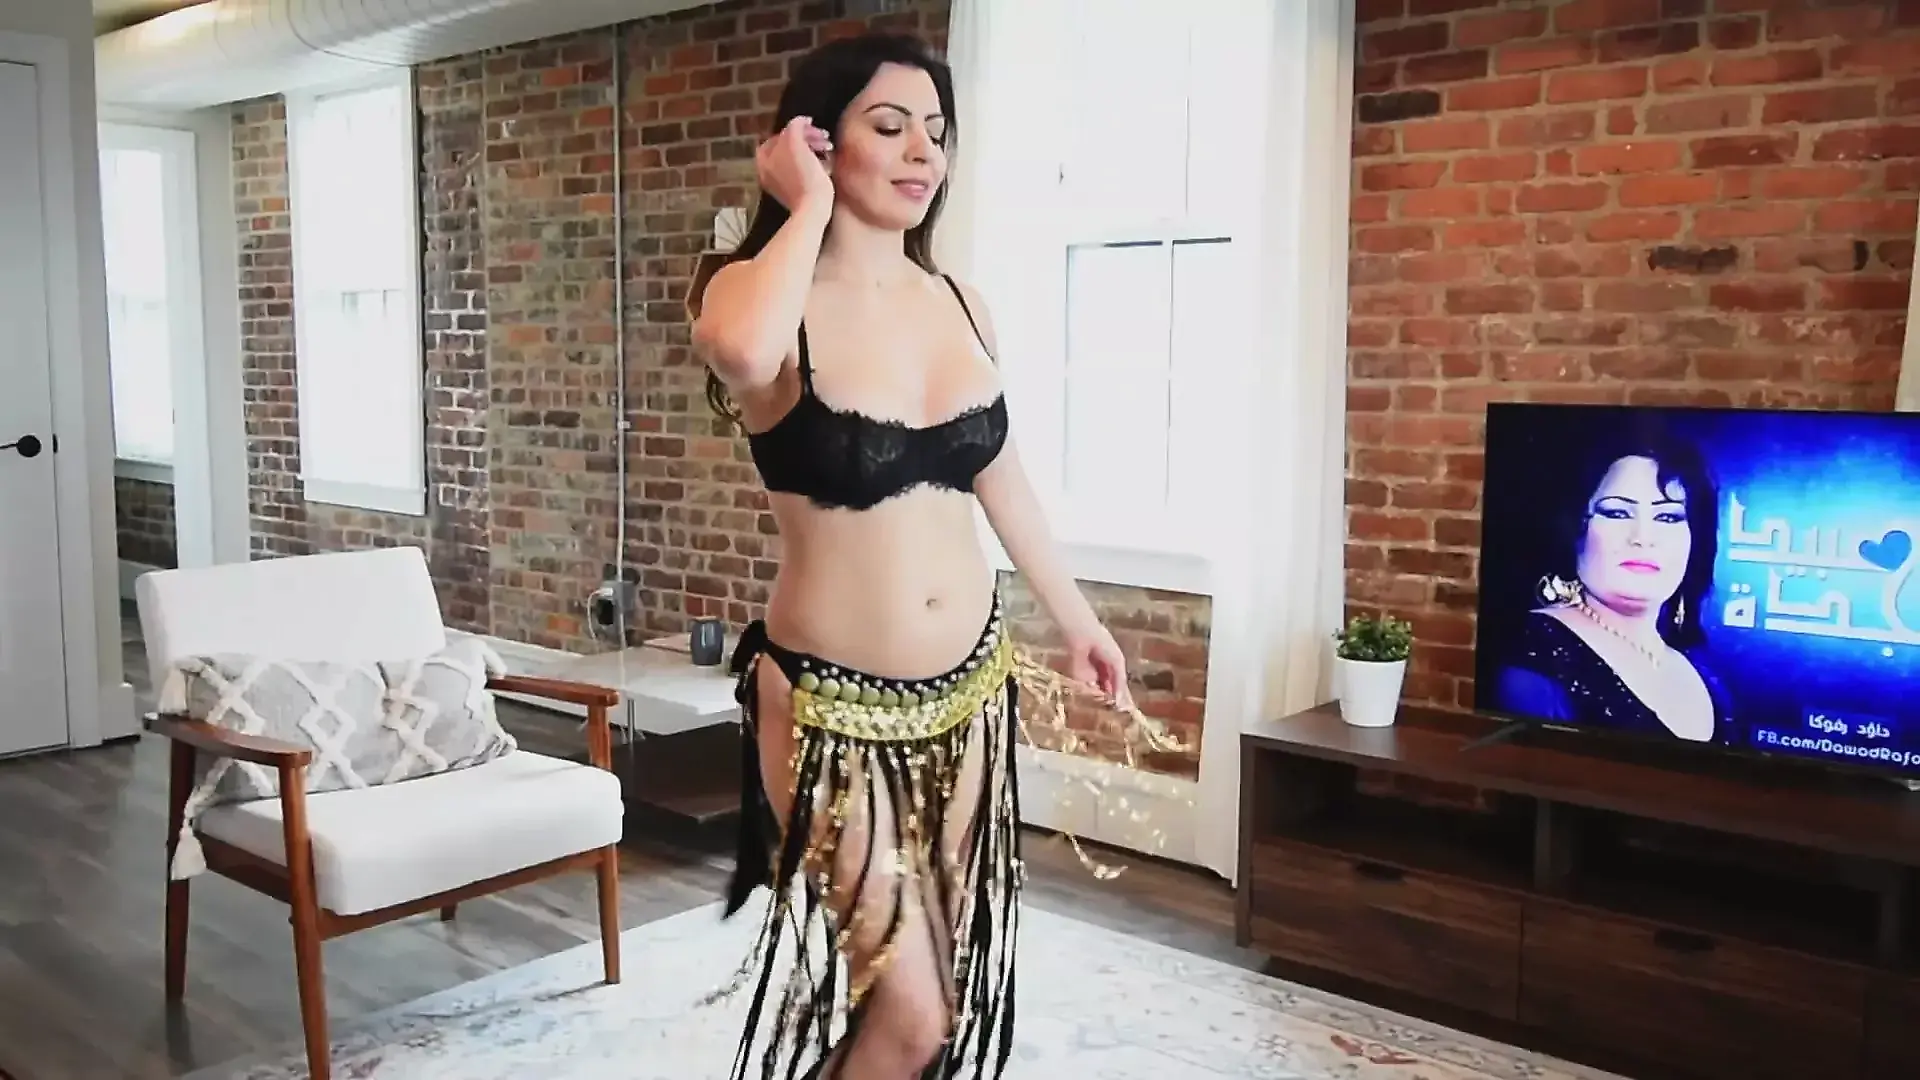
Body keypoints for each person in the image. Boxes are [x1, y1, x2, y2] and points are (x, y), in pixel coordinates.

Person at [689, 32, 1134, 1080]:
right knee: (911, 1014)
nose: (922, 152)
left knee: (944, 987)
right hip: (830, 711)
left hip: (970, 697)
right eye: (888, 127)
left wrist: (1079, 620)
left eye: (936, 132)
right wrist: (803, 207)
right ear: (815, 140)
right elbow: (741, 355)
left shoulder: (961, 301)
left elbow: (1002, 478)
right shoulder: (754, 295)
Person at [1488, 432, 1733, 744]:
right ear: (1574, 528)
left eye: (1668, 517)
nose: (1643, 538)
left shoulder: (1704, 672)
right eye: (1617, 513)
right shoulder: (1534, 657)